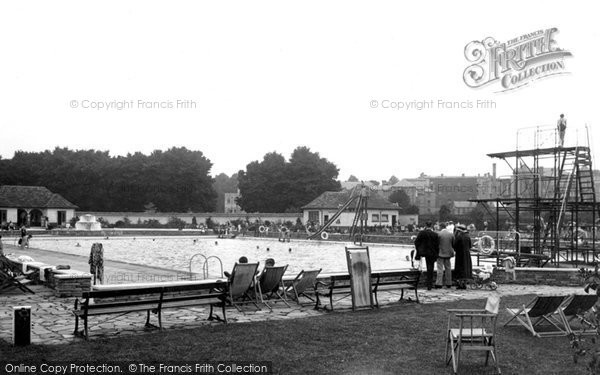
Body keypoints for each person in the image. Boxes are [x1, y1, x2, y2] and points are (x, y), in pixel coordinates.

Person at [414, 221, 439, 290]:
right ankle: (429, 284)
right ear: (432, 226)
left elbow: (416, 242)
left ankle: (419, 283)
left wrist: (419, 250)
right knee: (430, 268)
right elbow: (437, 245)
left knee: (419, 266)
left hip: (423, 252)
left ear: (425, 225)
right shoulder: (435, 234)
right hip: (432, 253)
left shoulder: (422, 233)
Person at [453, 224, 473, 289]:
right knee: (465, 269)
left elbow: (455, 246)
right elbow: (470, 246)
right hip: (467, 255)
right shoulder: (467, 236)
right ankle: (464, 283)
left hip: (460, 255)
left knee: (460, 269)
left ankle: (460, 284)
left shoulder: (459, 237)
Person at [435, 223, 454, 289]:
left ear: (441, 227)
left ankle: (439, 283)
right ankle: (449, 283)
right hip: (448, 254)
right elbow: (453, 244)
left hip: (440, 253)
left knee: (440, 269)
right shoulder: (451, 234)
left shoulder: (439, 234)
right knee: (448, 269)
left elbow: (436, 244)